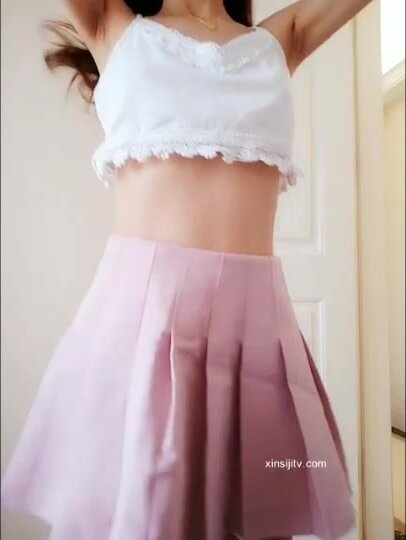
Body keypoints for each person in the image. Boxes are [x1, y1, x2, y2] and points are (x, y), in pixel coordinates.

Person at [1, 1, 371, 539]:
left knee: (257, 517)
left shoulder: (279, 40)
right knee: (154, 518)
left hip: (254, 331)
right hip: (150, 328)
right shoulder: (112, 24)